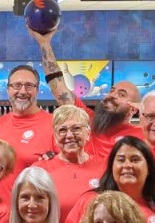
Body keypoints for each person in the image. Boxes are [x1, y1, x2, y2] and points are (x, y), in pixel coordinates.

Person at [29, 24, 144, 159]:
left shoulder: (143, 135)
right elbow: (57, 84)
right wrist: (44, 43)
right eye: (112, 91)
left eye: (122, 94)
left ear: (133, 109)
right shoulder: (87, 119)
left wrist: (149, 112)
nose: (112, 95)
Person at [0, 65, 54, 196]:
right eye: (17, 85)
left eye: (29, 86)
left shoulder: (54, 124)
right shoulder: (0, 123)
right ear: (8, 89)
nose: (23, 91)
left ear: (37, 90)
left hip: (31, 209)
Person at [38, 105, 104, 223]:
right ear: (55, 138)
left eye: (76, 128)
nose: (69, 135)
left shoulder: (105, 168)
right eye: (62, 130)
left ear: (88, 134)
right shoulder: (40, 170)